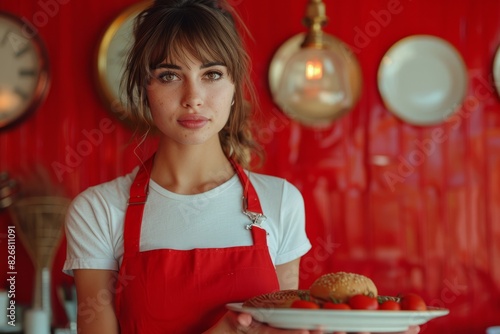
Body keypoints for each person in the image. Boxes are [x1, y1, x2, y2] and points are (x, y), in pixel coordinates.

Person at [63, 1, 419, 333]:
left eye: (212, 74)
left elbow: (286, 329)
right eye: (169, 75)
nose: (193, 97)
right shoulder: (99, 210)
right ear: (145, 88)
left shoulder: (280, 201)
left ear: (234, 86)